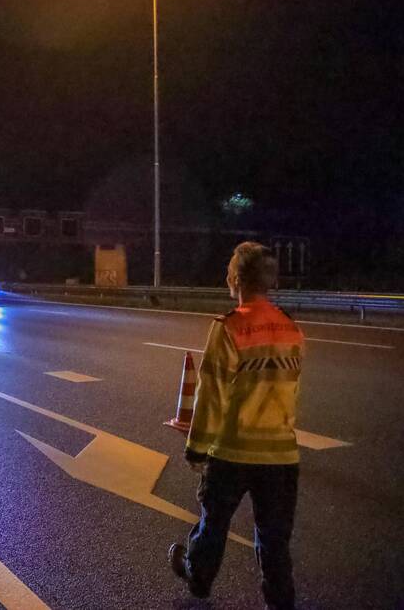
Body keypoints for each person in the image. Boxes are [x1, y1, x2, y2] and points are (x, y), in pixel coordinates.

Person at [169, 242, 304, 610]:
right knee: (274, 539)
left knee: (214, 522)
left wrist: (196, 446)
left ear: (234, 278)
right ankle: (280, 601)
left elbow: (211, 396)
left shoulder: (229, 328)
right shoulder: (292, 329)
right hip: (280, 455)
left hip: (232, 450)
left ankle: (198, 577)